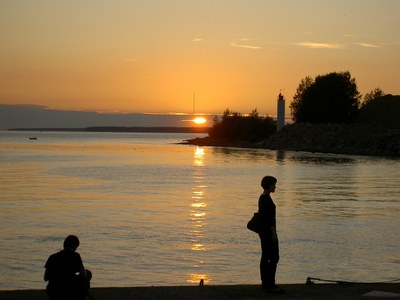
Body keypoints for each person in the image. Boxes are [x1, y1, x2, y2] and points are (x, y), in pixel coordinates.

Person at [44, 235, 92, 300]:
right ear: (75, 246)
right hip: (69, 291)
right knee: (88, 274)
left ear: (64, 244)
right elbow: (83, 275)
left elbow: (45, 278)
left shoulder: (52, 257)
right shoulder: (75, 256)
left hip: (52, 292)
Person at [258, 176, 284, 294]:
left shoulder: (262, 198)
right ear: (269, 185)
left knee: (266, 257)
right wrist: (274, 234)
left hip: (264, 232)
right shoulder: (266, 199)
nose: (275, 186)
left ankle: (266, 283)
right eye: (273, 184)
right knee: (273, 257)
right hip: (269, 232)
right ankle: (270, 283)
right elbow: (270, 219)